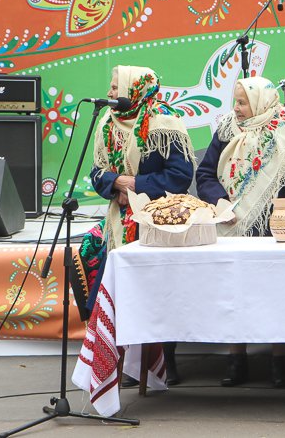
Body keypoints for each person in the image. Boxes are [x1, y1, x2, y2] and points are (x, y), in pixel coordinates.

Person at [79, 65, 196, 387]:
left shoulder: (164, 122)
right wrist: (116, 183)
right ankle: (116, 358)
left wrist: (136, 185)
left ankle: (161, 362)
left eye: (116, 87)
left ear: (135, 88)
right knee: (96, 263)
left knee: (155, 292)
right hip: (118, 217)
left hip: (156, 219)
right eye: (112, 86)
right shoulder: (107, 121)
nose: (110, 93)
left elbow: (179, 177)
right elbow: (97, 172)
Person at [195, 76, 285, 388]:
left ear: (260, 101)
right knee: (235, 294)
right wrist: (220, 201)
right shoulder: (227, 128)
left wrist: (283, 216)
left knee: (275, 295)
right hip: (229, 225)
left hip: (272, 227)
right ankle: (236, 359)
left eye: (243, 102)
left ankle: (280, 361)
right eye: (236, 101)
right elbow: (205, 173)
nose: (237, 108)